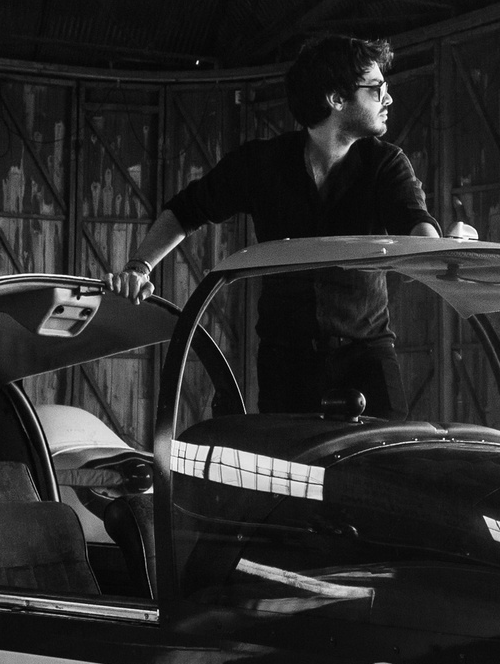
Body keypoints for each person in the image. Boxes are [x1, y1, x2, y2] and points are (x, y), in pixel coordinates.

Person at [105, 34, 468, 417]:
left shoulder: (386, 164)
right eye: (377, 89)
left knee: (388, 467)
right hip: (285, 364)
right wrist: (138, 267)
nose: (389, 98)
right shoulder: (261, 164)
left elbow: (416, 223)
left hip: (368, 354)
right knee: (285, 473)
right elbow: (185, 211)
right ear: (336, 99)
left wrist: (442, 249)